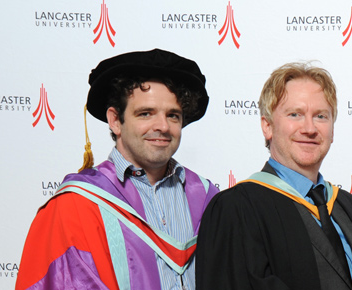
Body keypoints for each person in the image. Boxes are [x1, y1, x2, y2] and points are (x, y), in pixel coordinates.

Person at [16, 49, 220, 290]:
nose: (163, 126)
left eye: (173, 116)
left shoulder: (208, 199)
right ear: (115, 120)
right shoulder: (75, 206)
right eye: (146, 113)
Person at [195, 62, 352, 290]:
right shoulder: (235, 209)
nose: (309, 128)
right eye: (295, 114)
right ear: (267, 126)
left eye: (321, 116)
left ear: (332, 130)